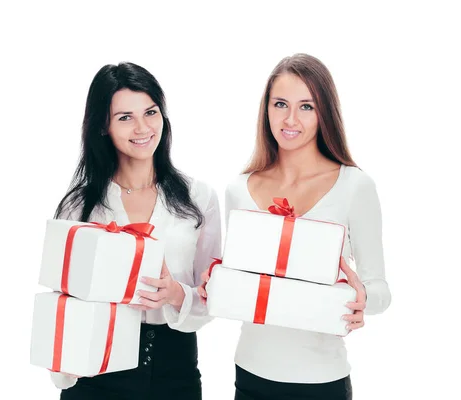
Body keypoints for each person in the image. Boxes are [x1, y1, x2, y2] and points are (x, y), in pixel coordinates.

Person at [199, 53, 391, 400]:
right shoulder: (238, 190)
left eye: (307, 106)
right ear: (266, 110)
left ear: (324, 113)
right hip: (250, 374)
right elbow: (242, 283)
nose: (290, 119)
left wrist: (364, 298)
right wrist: (214, 282)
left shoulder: (355, 186)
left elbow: (380, 289)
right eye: (280, 104)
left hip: (322, 382)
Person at [50, 61, 222, 400]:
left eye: (151, 112)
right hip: (96, 368)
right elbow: (63, 303)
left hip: (175, 369)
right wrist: (64, 367)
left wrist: (175, 293)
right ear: (103, 126)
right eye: (125, 117)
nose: (142, 127)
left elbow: (213, 294)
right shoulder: (80, 206)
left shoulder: (198, 197)